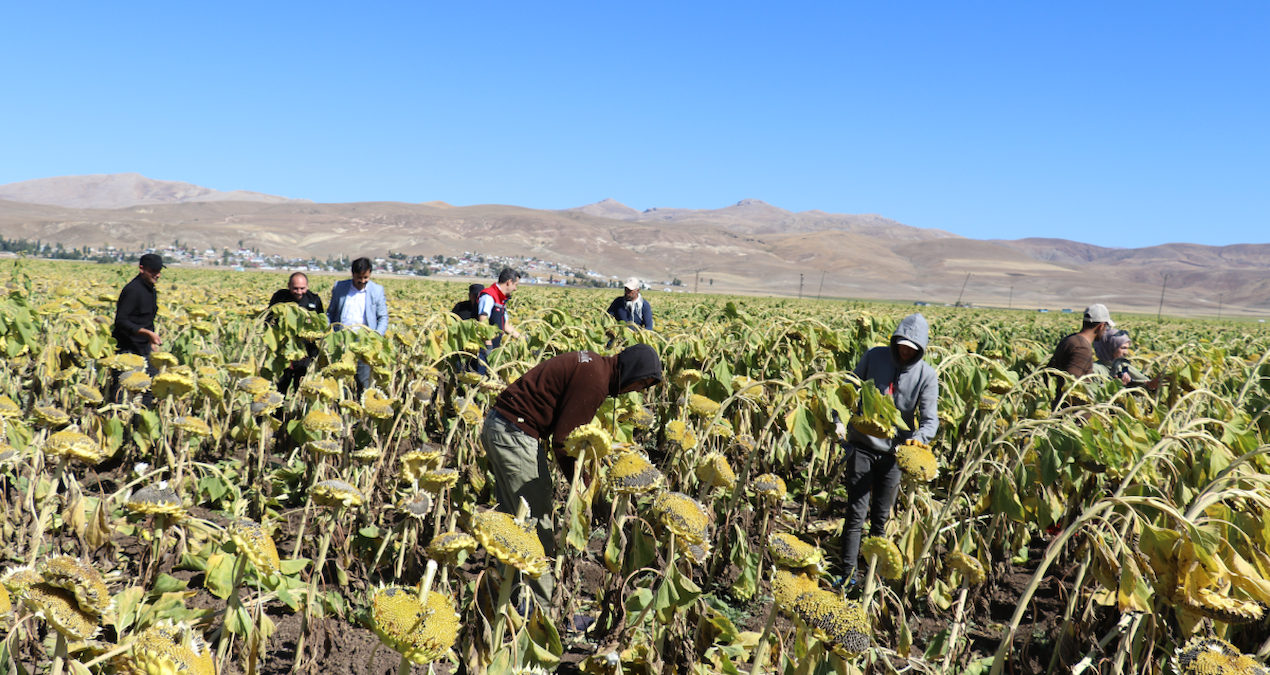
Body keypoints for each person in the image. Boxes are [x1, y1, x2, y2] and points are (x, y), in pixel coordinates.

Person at [480, 344, 663, 607]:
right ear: (632, 372)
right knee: (536, 522)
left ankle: (509, 598)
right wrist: (586, 490)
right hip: (515, 434)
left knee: (513, 520)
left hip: (501, 425)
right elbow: (563, 443)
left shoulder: (595, 366)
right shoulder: (595, 381)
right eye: (640, 383)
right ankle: (541, 608)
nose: (636, 390)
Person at [838, 313, 938, 586]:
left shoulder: (926, 375)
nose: (905, 351)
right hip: (862, 445)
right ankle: (847, 576)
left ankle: (873, 580)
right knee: (855, 513)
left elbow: (930, 419)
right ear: (895, 341)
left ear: (920, 349)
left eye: (912, 348)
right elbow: (849, 388)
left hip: (895, 453)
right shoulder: (874, 356)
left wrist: (920, 438)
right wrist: (839, 420)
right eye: (902, 344)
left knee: (881, 518)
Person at [327, 257, 389, 393]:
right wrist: (329, 333)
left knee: (363, 379)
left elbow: (383, 317)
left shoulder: (377, 290)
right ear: (352, 274)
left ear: (370, 273)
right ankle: (341, 403)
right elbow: (330, 312)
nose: (362, 281)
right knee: (340, 377)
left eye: (366, 277)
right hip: (342, 340)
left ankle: (361, 401)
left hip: (364, 341)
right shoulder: (340, 287)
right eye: (359, 278)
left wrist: (376, 336)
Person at [111, 253, 165, 406]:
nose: (158, 275)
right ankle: (119, 415)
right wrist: (147, 333)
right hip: (127, 347)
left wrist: (151, 340)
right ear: (142, 269)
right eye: (153, 271)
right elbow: (121, 321)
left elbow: (147, 319)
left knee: (150, 385)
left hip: (143, 346)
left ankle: (140, 416)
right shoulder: (133, 290)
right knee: (122, 388)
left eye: (159, 271)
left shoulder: (150, 289)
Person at [1047, 303, 1115, 407]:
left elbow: (1050, 371)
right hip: (1073, 412)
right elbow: (1072, 385)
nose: (1106, 330)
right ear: (1101, 326)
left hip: (1060, 406)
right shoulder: (1082, 349)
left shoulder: (1070, 339)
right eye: (1106, 327)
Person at [267, 272, 325, 393]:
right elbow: (268, 319)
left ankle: (298, 405)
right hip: (283, 351)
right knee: (280, 387)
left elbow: (321, 325)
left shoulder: (314, 300)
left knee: (302, 388)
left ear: (307, 286)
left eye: (302, 288)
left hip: (305, 352)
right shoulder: (280, 297)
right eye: (295, 288)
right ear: (289, 285)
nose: (299, 292)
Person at [1093, 329, 1160, 390]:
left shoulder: (1123, 365)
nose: (1126, 352)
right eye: (1123, 348)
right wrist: (1115, 385)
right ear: (1110, 347)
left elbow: (1143, 383)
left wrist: (1151, 385)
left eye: (1127, 348)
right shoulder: (1095, 369)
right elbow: (1093, 393)